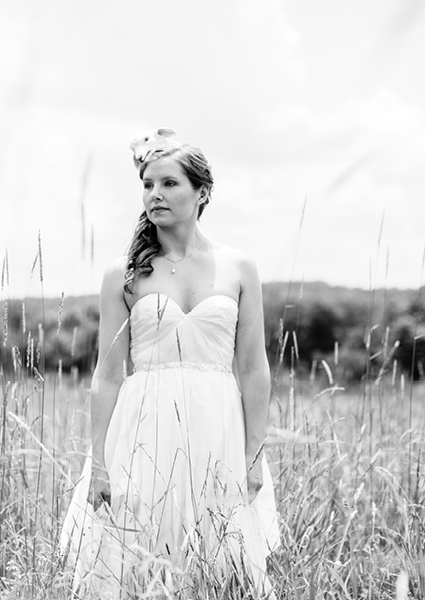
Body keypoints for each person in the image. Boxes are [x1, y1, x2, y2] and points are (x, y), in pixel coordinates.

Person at [60, 129, 280, 598]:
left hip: (219, 430)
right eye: (147, 184)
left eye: (169, 183)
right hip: (144, 431)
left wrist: (254, 454)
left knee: (222, 569)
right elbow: (108, 374)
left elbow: (254, 368)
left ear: (202, 192)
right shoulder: (123, 273)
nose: (154, 194)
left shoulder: (239, 267)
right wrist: (98, 461)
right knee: (140, 564)